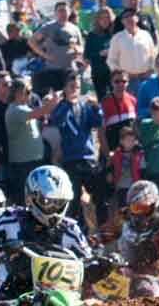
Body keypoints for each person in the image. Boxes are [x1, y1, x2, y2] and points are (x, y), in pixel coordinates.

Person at [0, 165, 111, 302]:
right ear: (31, 197)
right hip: (13, 291)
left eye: (59, 203)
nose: (54, 208)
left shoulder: (70, 228)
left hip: (60, 295)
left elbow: (87, 259)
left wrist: (100, 266)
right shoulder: (10, 217)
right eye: (47, 202)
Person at [48, 72, 107, 231]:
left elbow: (97, 122)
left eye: (78, 87)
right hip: (71, 159)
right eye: (72, 86)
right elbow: (56, 120)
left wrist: (96, 107)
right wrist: (67, 102)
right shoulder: (61, 107)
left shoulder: (84, 105)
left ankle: (102, 227)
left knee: (99, 193)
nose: (75, 90)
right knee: (73, 199)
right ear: (65, 88)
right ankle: (76, 230)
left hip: (87, 156)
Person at [117, 180, 159, 296]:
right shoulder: (122, 218)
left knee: (144, 290)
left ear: (154, 207)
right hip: (122, 270)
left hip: (149, 278)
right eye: (136, 208)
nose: (140, 213)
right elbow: (101, 237)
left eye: (145, 209)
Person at [5, 79, 60, 204]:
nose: (31, 94)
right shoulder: (15, 109)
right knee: (25, 201)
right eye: (28, 91)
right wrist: (54, 100)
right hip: (23, 165)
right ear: (18, 93)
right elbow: (42, 111)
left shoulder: (24, 108)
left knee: (36, 199)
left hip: (32, 162)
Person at [29, 2, 84, 96]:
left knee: (71, 96)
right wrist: (44, 55)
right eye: (60, 11)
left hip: (70, 70)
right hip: (53, 70)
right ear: (55, 13)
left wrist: (76, 50)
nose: (63, 13)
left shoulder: (75, 29)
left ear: (69, 12)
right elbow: (31, 41)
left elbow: (81, 48)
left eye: (65, 11)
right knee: (57, 98)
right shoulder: (48, 27)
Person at [108, 10, 158, 93]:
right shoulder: (117, 38)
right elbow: (111, 60)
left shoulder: (146, 35)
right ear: (122, 21)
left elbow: (153, 55)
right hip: (127, 82)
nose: (129, 18)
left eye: (131, 15)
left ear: (137, 19)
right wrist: (121, 75)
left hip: (146, 79)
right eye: (125, 17)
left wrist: (151, 70)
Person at [108, 123, 145, 212]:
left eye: (133, 140)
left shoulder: (139, 154)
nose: (131, 143)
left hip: (135, 187)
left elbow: (142, 170)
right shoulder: (116, 154)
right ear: (121, 141)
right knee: (122, 209)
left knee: (135, 209)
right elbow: (111, 167)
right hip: (121, 186)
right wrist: (109, 174)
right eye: (128, 140)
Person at [83, 7, 116, 100]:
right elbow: (87, 55)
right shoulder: (92, 35)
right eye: (102, 18)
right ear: (97, 20)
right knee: (103, 100)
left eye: (107, 17)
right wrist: (99, 54)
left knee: (116, 98)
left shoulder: (115, 34)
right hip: (99, 73)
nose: (105, 20)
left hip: (115, 72)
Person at [100, 72, 137, 150]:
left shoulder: (133, 100)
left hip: (130, 150)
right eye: (117, 81)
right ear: (111, 83)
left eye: (124, 81)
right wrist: (107, 154)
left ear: (128, 82)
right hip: (113, 148)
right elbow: (101, 132)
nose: (121, 84)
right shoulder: (105, 102)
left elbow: (135, 127)